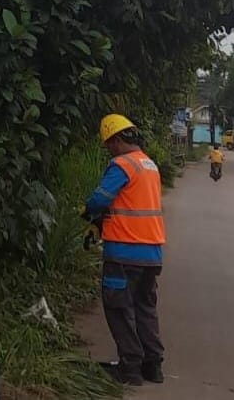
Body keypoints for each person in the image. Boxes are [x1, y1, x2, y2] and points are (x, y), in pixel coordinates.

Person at [85, 114, 166, 386]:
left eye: (109, 143)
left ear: (118, 140)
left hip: (124, 251)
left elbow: (100, 199)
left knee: (119, 308)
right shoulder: (149, 164)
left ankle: (129, 369)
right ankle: (152, 365)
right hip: (151, 253)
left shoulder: (122, 164)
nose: (109, 149)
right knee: (145, 307)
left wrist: (89, 212)